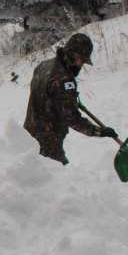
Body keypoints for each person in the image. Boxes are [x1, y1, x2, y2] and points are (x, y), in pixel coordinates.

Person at [23, 33, 117, 165]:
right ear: (74, 55)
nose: (82, 64)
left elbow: (45, 95)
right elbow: (72, 118)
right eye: (82, 60)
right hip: (48, 143)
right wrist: (99, 131)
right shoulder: (64, 79)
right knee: (59, 179)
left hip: (27, 136)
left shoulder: (44, 66)